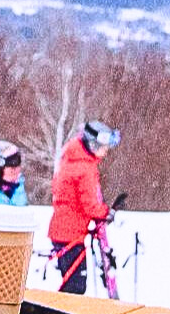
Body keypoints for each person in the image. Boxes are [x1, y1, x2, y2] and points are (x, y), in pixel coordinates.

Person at [48, 120, 120, 294]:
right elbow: (89, 204)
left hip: (64, 230)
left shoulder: (72, 160)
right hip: (70, 234)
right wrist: (106, 213)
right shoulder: (84, 168)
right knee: (75, 286)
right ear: (93, 145)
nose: (105, 152)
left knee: (72, 281)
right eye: (103, 147)